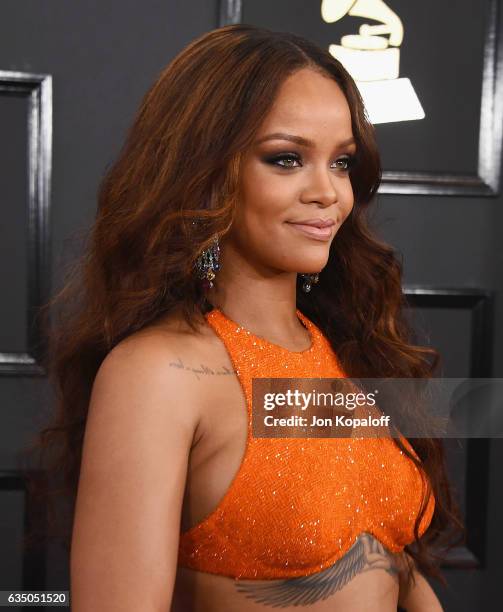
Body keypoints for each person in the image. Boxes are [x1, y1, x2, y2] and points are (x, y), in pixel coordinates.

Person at [31, 24, 463, 611]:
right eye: (286, 159)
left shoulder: (345, 352)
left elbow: (393, 564)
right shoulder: (160, 373)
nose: (329, 193)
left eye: (341, 163)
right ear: (206, 172)